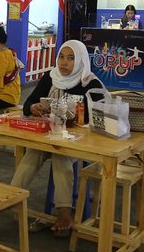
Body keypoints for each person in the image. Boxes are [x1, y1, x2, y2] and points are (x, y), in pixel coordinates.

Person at [11, 40, 107, 236]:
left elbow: (101, 115)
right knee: (33, 153)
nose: (64, 63)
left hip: (79, 142)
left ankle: (64, 212)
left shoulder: (90, 83)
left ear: (80, 60)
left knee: (60, 155)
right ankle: (10, 197)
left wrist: (74, 116)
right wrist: (33, 108)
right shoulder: (50, 77)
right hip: (49, 136)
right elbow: (30, 100)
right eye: (61, 57)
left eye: (71, 58)